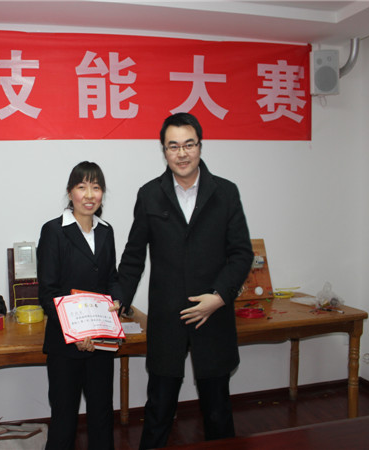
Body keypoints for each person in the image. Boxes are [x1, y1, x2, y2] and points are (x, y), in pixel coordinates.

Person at [118, 113, 254, 449]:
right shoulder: (149, 194)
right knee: (159, 409)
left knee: (218, 411)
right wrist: (118, 301)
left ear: (200, 147)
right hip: (168, 317)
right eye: (173, 146)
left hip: (213, 315)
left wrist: (218, 297)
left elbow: (241, 254)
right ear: (164, 151)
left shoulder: (225, 192)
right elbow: (133, 256)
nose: (182, 153)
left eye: (189, 145)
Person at [37, 161, 121, 450]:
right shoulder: (54, 231)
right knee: (64, 420)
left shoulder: (106, 231)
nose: (89, 195)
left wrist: (117, 299)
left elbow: (112, 278)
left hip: (101, 342)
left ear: (102, 193)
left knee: (102, 415)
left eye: (96, 187)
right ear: (70, 191)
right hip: (65, 344)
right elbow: (48, 292)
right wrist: (75, 333)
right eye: (81, 186)